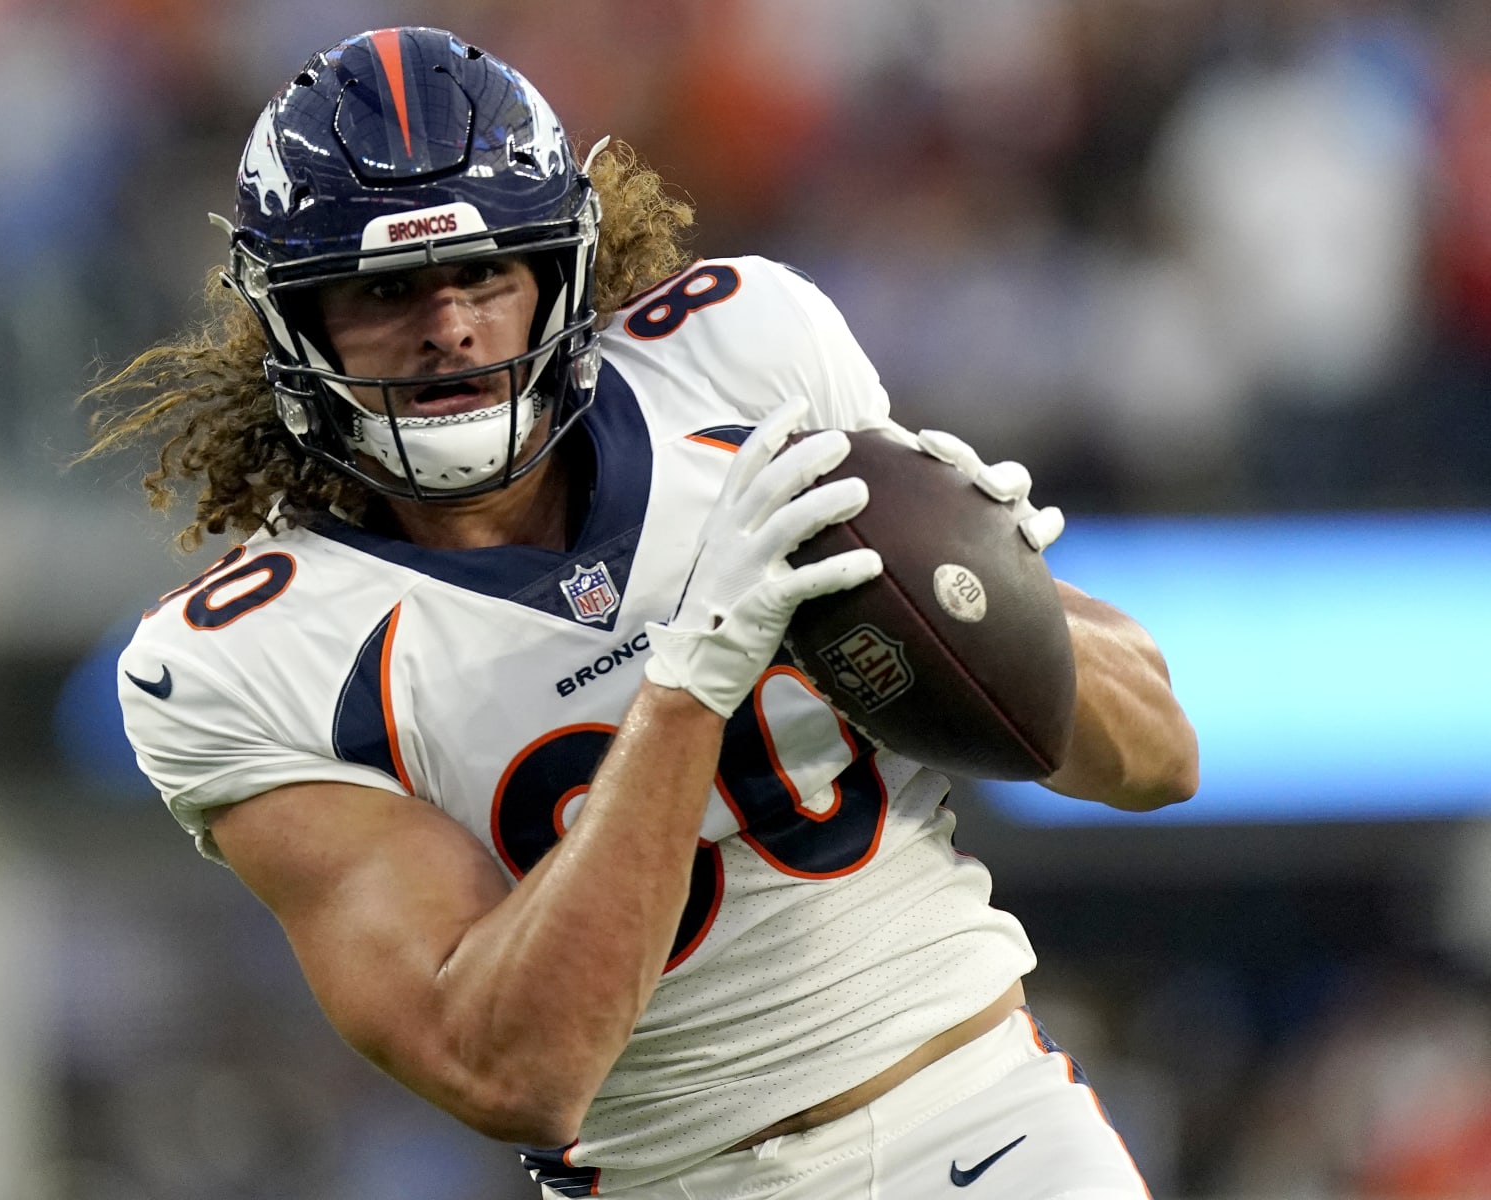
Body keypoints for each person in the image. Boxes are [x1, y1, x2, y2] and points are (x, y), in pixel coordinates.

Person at [87, 26, 1199, 1199]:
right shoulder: (243, 655)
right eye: (386, 291)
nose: (450, 326)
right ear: (295, 327)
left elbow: (1160, 759)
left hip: (984, 1118)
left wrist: (985, 592)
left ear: (562, 270)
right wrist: (684, 693)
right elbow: (513, 1069)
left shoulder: (740, 359)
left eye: (486, 274)